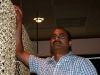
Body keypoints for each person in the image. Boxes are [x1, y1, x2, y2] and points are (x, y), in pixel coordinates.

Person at [15, 5, 98, 75]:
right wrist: (19, 21)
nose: (56, 38)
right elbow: (19, 52)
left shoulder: (82, 63)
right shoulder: (43, 64)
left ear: (69, 43)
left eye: (61, 36)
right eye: (53, 36)